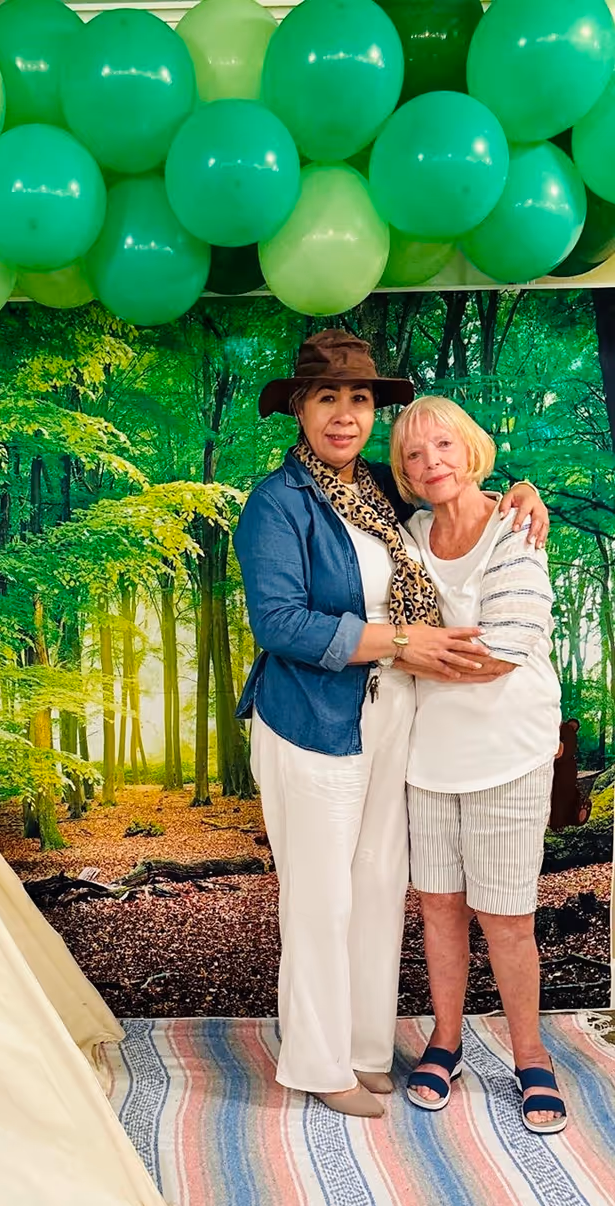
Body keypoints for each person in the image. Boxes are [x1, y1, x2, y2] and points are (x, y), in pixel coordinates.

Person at [234, 329, 548, 1119]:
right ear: (299, 409)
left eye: (360, 398)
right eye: (327, 398)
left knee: (378, 886)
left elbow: (456, 487)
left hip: (391, 717)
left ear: (375, 409)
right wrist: (402, 641)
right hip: (309, 719)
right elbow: (280, 622)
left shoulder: (380, 487)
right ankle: (316, 1059)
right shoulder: (278, 503)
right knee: (320, 897)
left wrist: (524, 489)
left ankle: (369, 1047)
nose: (345, 415)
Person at [391, 396, 566, 1135]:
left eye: (442, 446)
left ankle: (531, 1058)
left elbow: (506, 645)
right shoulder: (404, 536)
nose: (430, 462)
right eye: (412, 454)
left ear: (471, 450)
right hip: (427, 757)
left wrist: (416, 648)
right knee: (438, 908)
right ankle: (445, 1039)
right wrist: (419, 644)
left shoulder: (516, 525)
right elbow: (406, 634)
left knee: (506, 916)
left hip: (507, 752)